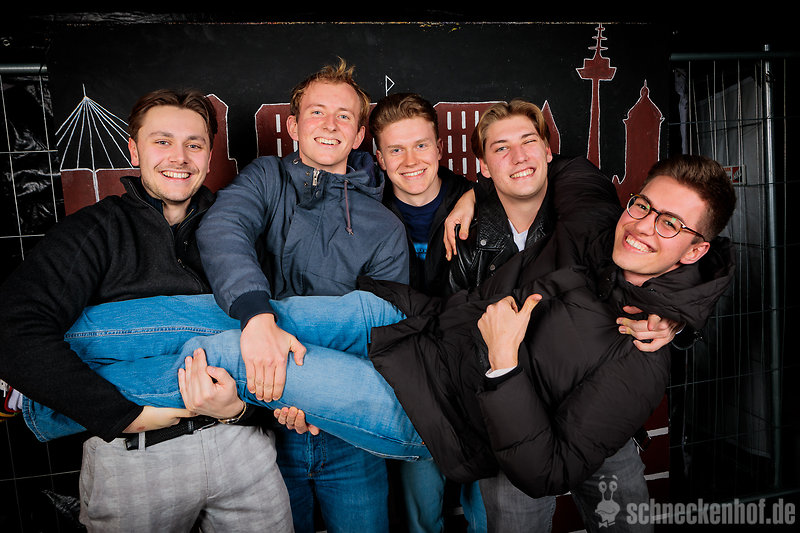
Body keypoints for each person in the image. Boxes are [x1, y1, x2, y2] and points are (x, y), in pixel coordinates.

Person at [19, 155, 735, 533]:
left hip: (427, 413)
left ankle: (41, 402)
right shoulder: (601, 230)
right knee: (231, 313)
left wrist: (504, 365)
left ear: (698, 249)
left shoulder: (643, 357)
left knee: (244, 354)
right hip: (410, 324)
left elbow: (544, 471)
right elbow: (574, 168)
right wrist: (469, 189)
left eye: (670, 225)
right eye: (644, 204)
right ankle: (30, 360)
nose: (644, 225)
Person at [0, 89, 293, 531]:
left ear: (209, 155)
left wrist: (240, 411)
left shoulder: (237, 231)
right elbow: (14, 329)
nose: (179, 157)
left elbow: (279, 334)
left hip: (242, 448)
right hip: (134, 455)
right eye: (162, 141)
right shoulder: (96, 230)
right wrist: (124, 416)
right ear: (134, 150)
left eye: (194, 144)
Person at [195, 57, 409, 533]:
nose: (329, 125)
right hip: (262, 419)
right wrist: (256, 315)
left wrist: (314, 391)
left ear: (359, 136)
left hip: (349, 432)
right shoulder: (265, 178)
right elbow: (223, 228)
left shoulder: (385, 227)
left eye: (344, 116)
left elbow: (385, 332)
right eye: (317, 112)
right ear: (293, 126)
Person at [369, 92, 485, 532]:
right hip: (410, 376)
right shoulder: (365, 210)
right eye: (396, 149)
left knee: (489, 507)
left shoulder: (482, 201)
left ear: (439, 148)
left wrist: (480, 192)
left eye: (420, 145)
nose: (410, 160)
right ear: (379, 158)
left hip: (473, 368)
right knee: (420, 510)